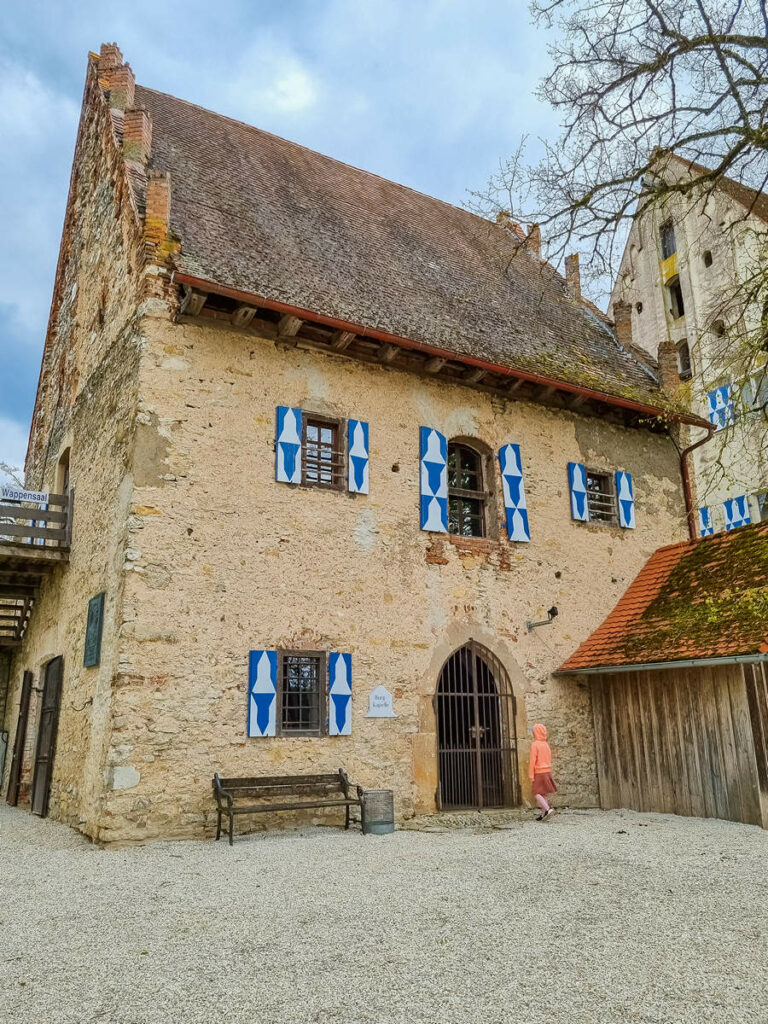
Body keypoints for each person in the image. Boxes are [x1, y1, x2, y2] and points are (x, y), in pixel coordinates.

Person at [529, 723, 557, 820]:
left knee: (536, 792)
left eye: (533, 731)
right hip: (547, 771)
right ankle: (543, 814)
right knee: (543, 793)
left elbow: (532, 761)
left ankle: (548, 809)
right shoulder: (546, 745)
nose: (532, 733)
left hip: (539, 772)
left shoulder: (534, 745)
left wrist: (531, 774)